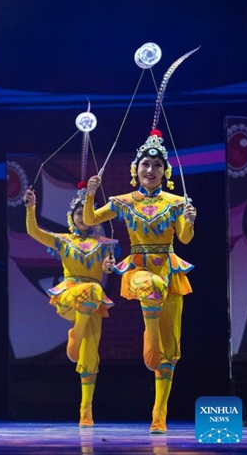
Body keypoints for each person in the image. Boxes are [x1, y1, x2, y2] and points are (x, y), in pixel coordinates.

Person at [84, 129, 196, 434]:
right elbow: (92, 219)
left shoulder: (175, 203)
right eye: (146, 164)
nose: (151, 170)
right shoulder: (124, 201)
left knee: (170, 349)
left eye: (157, 166)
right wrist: (92, 192)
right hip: (138, 268)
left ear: (165, 171)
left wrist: (190, 218)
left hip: (169, 270)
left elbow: (184, 238)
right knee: (151, 286)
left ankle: (159, 415)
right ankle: (150, 335)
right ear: (136, 170)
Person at [23, 182, 116, 427]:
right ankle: (74, 333)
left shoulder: (104, 243)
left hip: (94, 302)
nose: (82, 218)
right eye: (77, 214)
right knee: (94, 288)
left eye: (85, 213)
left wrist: (108, 267)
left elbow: (109, 265)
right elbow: (34, 232)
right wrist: (31, 208)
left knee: (91, 354)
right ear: (71, 218)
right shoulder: (63, 241)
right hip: (71, 294)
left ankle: (86, 411)